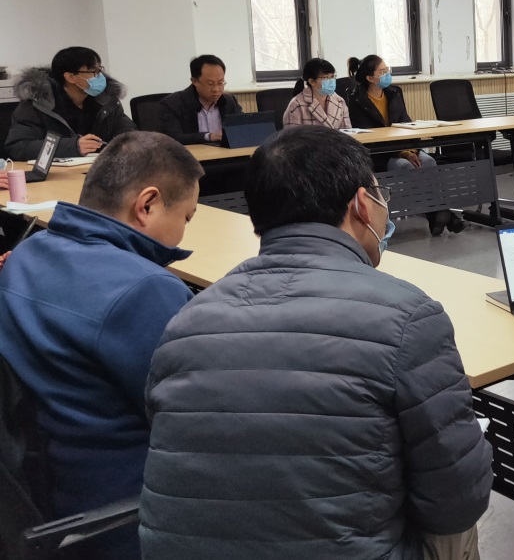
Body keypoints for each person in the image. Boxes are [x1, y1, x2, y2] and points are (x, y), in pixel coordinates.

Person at [141, 125, 491, 560]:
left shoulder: (186, 319)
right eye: (380, 195)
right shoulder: (408, 316)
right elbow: (457, 499)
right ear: (362, 204)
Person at [0, 132, 202, 560]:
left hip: (46, 493)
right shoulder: (145, 290)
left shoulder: (27, 254)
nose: (184, 232)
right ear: (147, 205)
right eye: (187, 217)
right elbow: (201, 420)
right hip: (123, 517)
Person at [345, 54, 464, 236]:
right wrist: (402, 153)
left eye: (387, 70)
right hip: (379, 154)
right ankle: (440, 214)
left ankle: (438, 213)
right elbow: (370, 135)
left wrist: (410, 150)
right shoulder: (356, 99)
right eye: (382, 72)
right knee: (406, 166)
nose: (387, 74)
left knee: (429, 161)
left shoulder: (394, 93)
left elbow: (406, 124)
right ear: (370, 78)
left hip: (404, 148)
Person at [5, 46, 136, 159]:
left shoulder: (106, 99)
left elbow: (129, 132)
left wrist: (126, 145)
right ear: (70, 77)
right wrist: (73, 147)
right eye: (93, 72)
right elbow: (19, 146)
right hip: (58, 174)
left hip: (100, 169)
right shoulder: (39, 103)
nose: (100, 77)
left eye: (100, 70)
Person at [158, 54, 243, 145]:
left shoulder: (229, 101)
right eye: (210, 84)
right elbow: (173, 138)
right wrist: (209, 136)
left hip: (226, 153)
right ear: (194, 81)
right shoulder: (172, 104)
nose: (216, 89)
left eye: (220, 83)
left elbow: (243, 128)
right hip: (192, 154)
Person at [283, 57, 350, 129]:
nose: (331, 81)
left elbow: (348, 131)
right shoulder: (296, 104)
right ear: (312, 81)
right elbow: (291, 134)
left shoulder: (340, 101)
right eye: (325, 77)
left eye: (332, 76)